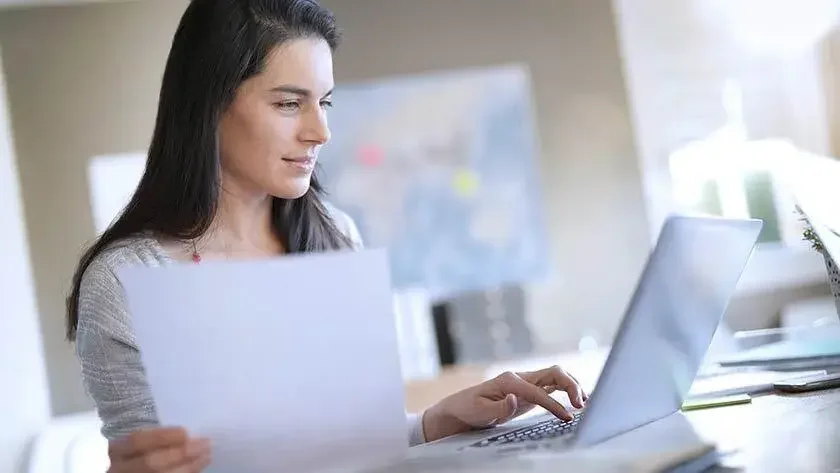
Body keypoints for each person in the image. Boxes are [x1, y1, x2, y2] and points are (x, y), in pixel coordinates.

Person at [66, 0, 588, 471]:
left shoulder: (337, 234)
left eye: (326, 102)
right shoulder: (127, 279)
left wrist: (436, 420)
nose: (321, 131)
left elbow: (351, 443)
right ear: (209, 106)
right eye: (289, 104)